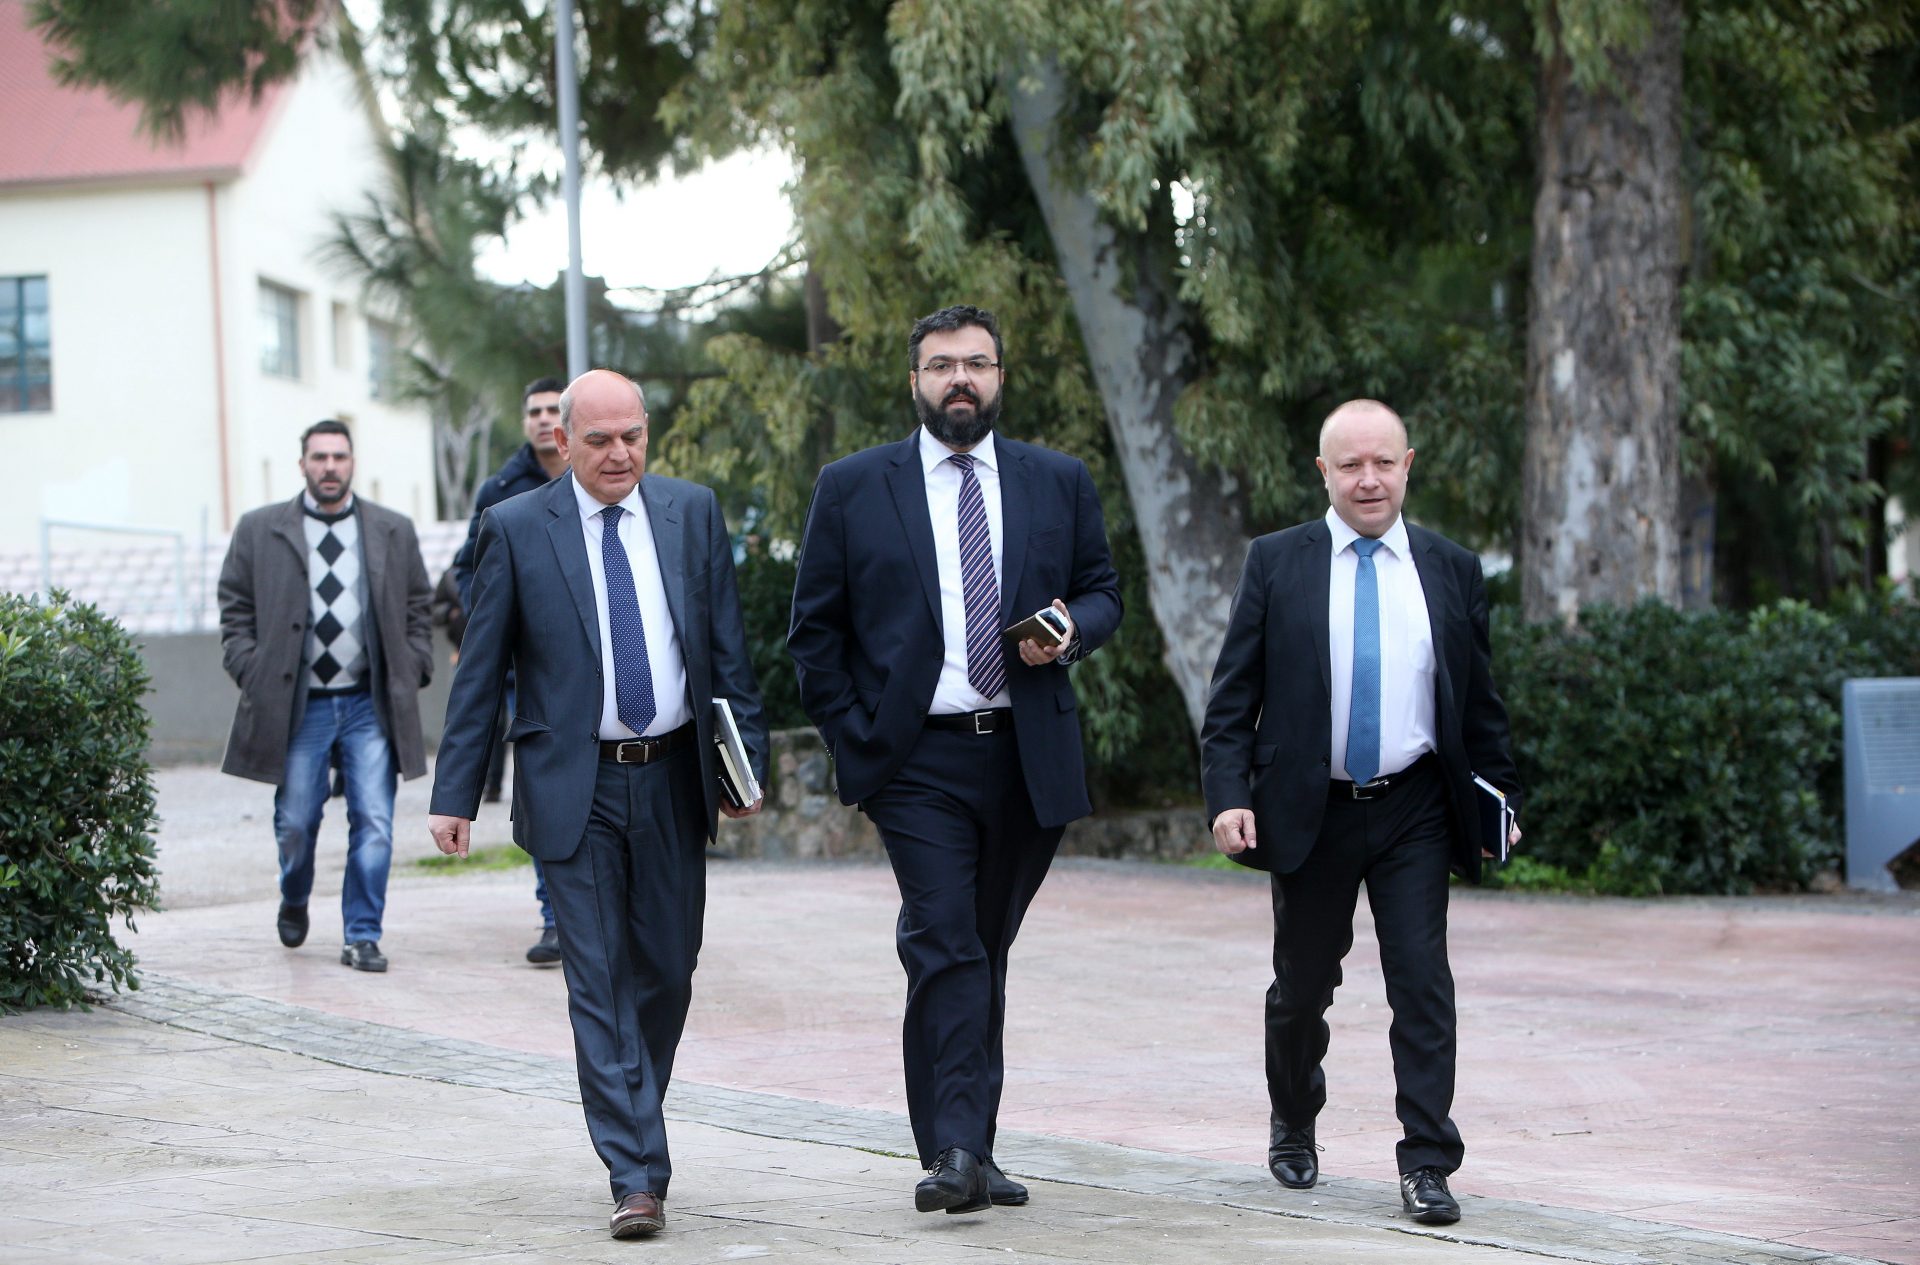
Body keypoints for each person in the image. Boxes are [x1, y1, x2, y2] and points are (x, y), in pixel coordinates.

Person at [788, 304, 1122, 1215]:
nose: (960, 378)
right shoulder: (855, 486)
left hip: (1025, 752)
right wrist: (857, 738)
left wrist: (1072, 629)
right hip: (915, 760)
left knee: (979, 949)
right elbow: (814, 633)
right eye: (942, 365)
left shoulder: (1058, 479)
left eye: (976, 362)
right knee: (947, 940)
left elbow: (1103, 590)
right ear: (915, 382)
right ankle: (957, 1149)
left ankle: (970, 1143)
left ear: (1000, 377)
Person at [427, 369, 767, 1241]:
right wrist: (455, 792)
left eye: (633, 437)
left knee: (669, 968)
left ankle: (633, 1115)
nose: (620, 454)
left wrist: (744, 767)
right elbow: (481, 669)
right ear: (562, 441)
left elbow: (727, 655)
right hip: (572, 784)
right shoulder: (515, 527)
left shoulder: (691, 513)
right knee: (599, 978)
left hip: (674, 777)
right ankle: (637, 1172)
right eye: (600, 440)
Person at [1199, 398, 1523, 1226]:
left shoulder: (1452, 567)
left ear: (1408, 465)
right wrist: (1229, 795)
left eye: (1383, 462)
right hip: (1312, 809)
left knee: (1422, 980)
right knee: (1302, 986)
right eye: (1350, 465)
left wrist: (1500, 799)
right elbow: (1232, 699)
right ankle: (1294, 1113)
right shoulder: (1278, 562)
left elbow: (1479, 703)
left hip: (1416, 804)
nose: (1368, 479)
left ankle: (1427, 1160)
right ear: (1324, 472)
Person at [217, 419, 433, 974]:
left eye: (339, 456)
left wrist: (413, 665)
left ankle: (362, 935)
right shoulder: (261, 529)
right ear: (302, 465)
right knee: (295, 822)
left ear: (353, 462)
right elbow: (235, 606)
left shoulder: (391, 528)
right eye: (319, 457)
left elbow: (419, 606)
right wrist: (251, 670)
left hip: (368, 703)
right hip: (299, 705)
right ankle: (294, 893)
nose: (329, 467)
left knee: (376, 822)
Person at [450, 374, 569, 965]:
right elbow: (466, 569)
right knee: (547, 795)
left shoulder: (603, 475)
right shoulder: (499, 489)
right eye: (534, 411)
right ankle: (555, 919)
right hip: (533, 680)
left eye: (553, 409)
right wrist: (498, 620)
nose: (544, 419)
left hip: (606, 667)